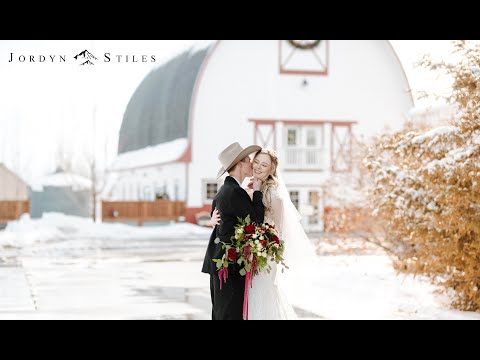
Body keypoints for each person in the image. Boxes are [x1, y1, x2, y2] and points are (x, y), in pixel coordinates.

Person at [210, 148, 318, 320]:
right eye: (256, 161)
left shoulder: (276, 197)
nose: (257, 167)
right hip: (246, 259)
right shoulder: (244, 191)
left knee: (260, 301)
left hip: (263, 259)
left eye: (264, 165)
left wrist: (265, 250)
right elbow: (226, 209)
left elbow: (279, 234)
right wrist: (213, 220)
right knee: (245, 306)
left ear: (271, 170)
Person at [201, 142, 264, 320]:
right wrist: (258, 192)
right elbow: (256, 222)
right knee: (230, 314)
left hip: (220, 263)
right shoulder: (235, 192)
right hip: (229, 267)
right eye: (249, 160)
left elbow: (220, 220)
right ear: (240, 164)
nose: (252, 163)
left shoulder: (225, 190)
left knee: (221, 313)